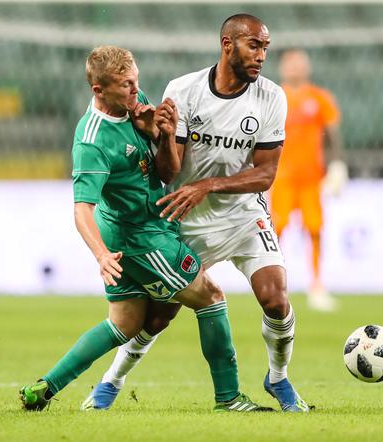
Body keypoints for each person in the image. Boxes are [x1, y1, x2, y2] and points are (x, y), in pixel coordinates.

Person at [19, 45, 270, 413]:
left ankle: (45, 387)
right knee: (211, 297)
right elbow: (81, 210)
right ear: (99, 91)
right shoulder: (93, 141)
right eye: (125, 86)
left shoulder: (134, 103)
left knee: (125, 323)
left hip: (134, 233)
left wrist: (162, 132)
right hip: (139, 237)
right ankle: (229, 398)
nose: (135, 91)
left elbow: (165, 168)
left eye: (136, 81)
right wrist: (101, 255)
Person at [84, 14, 310, 413]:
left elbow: (266, 174)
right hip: (185, 218)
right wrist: (168, 137)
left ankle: (278, 378)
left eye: (265, 48)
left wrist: (208, 185)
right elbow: (169, 171)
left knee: (275, 298)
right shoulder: (184, 90)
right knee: (157, 318)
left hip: (242, 216)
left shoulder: (272, 96)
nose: (262, 56)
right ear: (228, 45)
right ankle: (111, 381)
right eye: (254, 46)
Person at [270, 48, 346, 312]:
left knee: (314, 230)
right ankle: (272, 286)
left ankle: (316, 285)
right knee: (276, 232)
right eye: (291, 63)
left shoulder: (319, 98)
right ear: (282, 67)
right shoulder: (273, 97)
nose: (295, 68)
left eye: (300, 63)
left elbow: (333, 132)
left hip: (312, 178)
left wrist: (337, 164)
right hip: (281, 177)